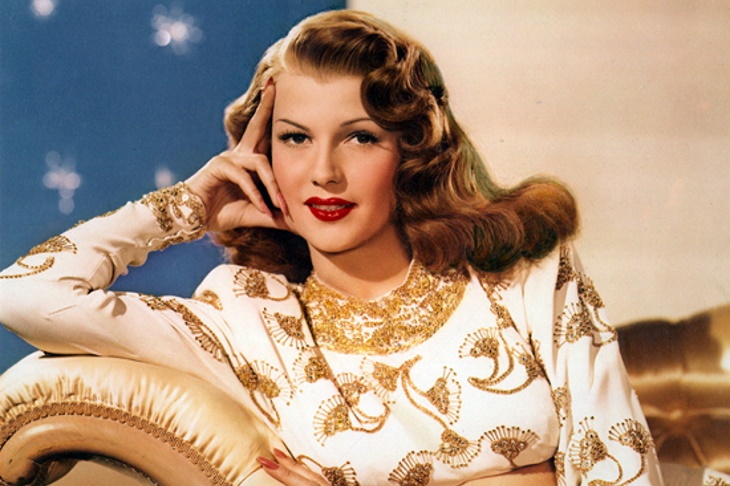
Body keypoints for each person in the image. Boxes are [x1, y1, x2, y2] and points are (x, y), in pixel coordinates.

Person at [0, 10, 666, 486]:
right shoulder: (248, 318)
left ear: (411, 151)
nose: (324, 172)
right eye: (294, 138)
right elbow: (24, 296)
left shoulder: (523, 272)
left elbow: (622, 469)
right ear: (263, 154)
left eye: (360, 137)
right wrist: (187, 206)